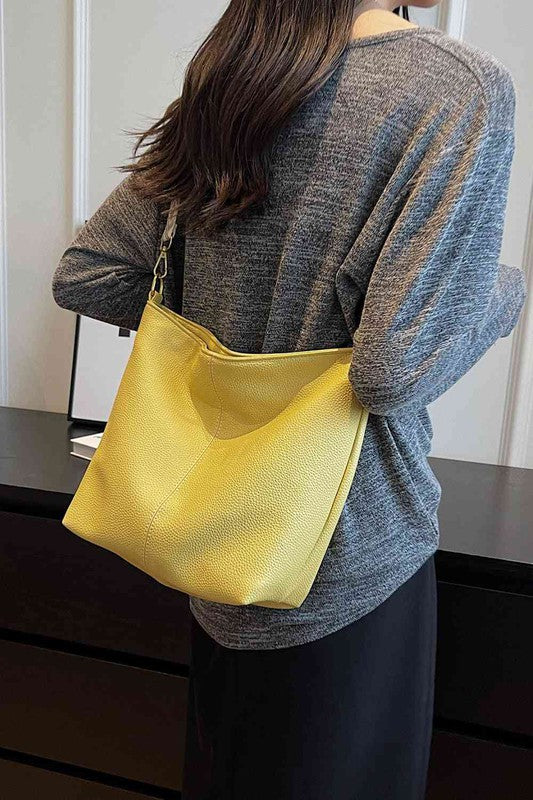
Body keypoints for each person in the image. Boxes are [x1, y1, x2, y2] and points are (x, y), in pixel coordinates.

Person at [51, 1, 527, 797]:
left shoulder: (242, 71)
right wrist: (502, 292)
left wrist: (221, 333)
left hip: (213, 543)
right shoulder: (452, 86)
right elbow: (394, 370)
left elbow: (89, 273)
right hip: (346, 559)